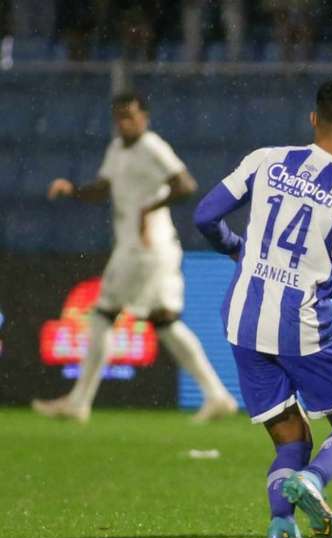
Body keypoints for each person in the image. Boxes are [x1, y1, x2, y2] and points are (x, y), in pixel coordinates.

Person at [193, 77, 332, 538]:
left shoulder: (266, 158)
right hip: (302, 327)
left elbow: (204, 215)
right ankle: (313, 482)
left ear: (313, 120)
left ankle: (282, 526)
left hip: (242, 320)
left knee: (292, 438)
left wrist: (237, 248)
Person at [32, 92, 238, 424]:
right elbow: (103, 188)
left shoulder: (152, 147)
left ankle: (79, 402)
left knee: (102, 315)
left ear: (144, 117)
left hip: (145, 248)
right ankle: (217, 395)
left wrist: (148, 209)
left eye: (130, 115)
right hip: (141, 248)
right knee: (164, 321)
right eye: (119, 116)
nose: (124, 122)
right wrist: (73, 190)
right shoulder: (117, 149)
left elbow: (185, 184)